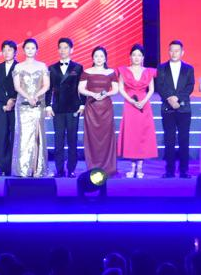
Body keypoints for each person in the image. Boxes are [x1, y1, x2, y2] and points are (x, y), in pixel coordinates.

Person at [155, 39, 194, 178]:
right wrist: (170, 98)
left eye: (177, 51)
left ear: (182, 52)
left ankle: (184, 170)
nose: (174, 53)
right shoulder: (161, 68)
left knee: (184, 140)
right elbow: (159, 86)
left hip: (184, 109)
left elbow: (190, 86)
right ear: (168, 51)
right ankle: (169, 170)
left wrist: (178, 99)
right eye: (171, 50)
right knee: (169, 140)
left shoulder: (189, 68)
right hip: (167, 108)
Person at [117, 44, 157, 178]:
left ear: (143, 57)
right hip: (130, 105)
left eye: (139, 55)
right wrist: (131, 100)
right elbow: (121, 88)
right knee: (131, 135)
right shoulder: (124, 71)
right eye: (134, 55)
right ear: (130, 57)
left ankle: (140, 166)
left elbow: (151, 89)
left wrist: (144, 101)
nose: (136, 57)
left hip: (144, 105)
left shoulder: (149, 71)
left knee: (142, 135)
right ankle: (132, 166)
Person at [46, 38, 83, 178]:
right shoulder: (52, 68)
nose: (63, 50)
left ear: (72, 49)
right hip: (58, 108)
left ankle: (71, 169)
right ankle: (59, 169)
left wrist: (82, 104)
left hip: (73, 108)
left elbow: (81, 87)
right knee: (58, 140)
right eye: (60, 47)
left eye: (66, 47)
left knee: (72, 139)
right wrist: (48, 105)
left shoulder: (78, 67)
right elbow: (49, 89)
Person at [12, 38, 50, 177]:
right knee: (23, 135)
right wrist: (28, 97)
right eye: (27, 48)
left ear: (36, 50)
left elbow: (46, 85)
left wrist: (36, 96)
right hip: (23, 105)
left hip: (38, 105)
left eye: (32, 48)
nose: (30, 50)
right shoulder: (18, 67)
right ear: (23, 50)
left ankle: (37, 169)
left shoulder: (42, 66)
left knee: (38, 135)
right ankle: (23, 169)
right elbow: (17, 86)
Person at [78, 46, 118, 175]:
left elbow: (115, 89)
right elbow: (81, 89)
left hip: (106, 108)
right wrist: (93, 94)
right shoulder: (87, 72)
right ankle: (93, 166)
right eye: (96, 56)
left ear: (105, 58)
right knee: (92, 137)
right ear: (92, 58)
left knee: (106, 137)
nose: (99, 59)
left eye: (101, 56)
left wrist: (105, 94)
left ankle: (107, 167)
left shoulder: (111, 72)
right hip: (91, 108)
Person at [0, 41, 18, 176]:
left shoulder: (19, 68)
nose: (7, 53)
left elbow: (21, 87)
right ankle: (2, 167)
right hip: (1, 106)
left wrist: (13, 100)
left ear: (15, 52)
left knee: (14, 136)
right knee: (0, 136)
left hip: (16, 107)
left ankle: (13, 165)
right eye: (4, 50)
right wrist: (6, 102)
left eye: (10, 50)